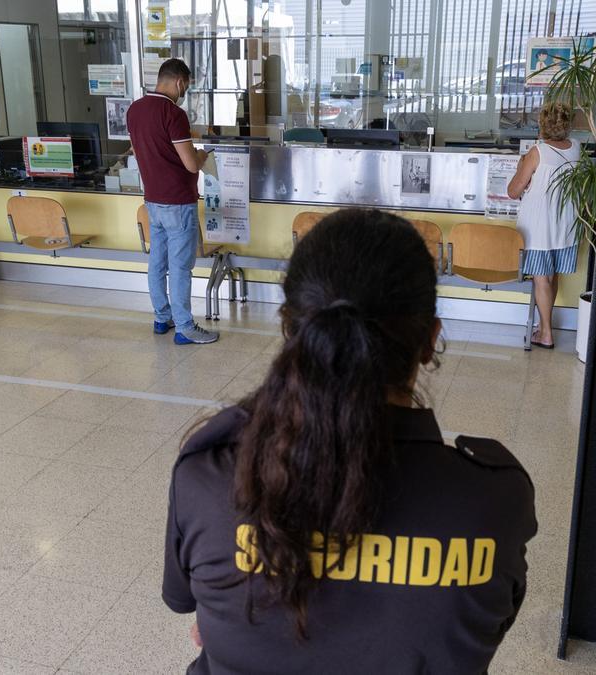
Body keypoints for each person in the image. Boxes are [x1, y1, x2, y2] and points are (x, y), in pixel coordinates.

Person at [162, 209, 537, 673]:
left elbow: (187, 604)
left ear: (289, 331)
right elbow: (486, 626)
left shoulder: (209, 478)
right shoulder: (493, 499)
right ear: (429, 341)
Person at [127, 58, 219, 345]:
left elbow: (147, 149)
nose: (184, 92)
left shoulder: (135, 110)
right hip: (179, 202)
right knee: (180, 266)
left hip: (152, 200)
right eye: (186, 87)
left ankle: (161, 317)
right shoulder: (173, 114)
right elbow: (191, 165)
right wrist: (203, 155)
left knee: (157, 262)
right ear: (180, 81)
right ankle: (184, 327)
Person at [507, 102, 581, 349]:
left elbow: (513, 190)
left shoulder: (537, 152)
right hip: (565, 225)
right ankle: (543, 325)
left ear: (543, 124)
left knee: (541, 279)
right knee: (552, 275)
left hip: (539, 226)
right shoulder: (577, 149)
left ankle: (546, 333)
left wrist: (521, 166)